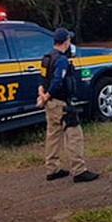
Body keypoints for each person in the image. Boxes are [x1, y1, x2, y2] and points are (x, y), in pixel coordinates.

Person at [36, 28, 99, 183]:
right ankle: (79, 170)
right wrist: (48, 95)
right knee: (74, 135)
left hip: (50, 105)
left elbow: (42, 80)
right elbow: (58, 81)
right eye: (69, 40)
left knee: (53, 135)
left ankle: (52, 169)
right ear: (65, 42)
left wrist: (43, 96)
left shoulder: (47, 58)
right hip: (61, 104)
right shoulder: (62, 60)